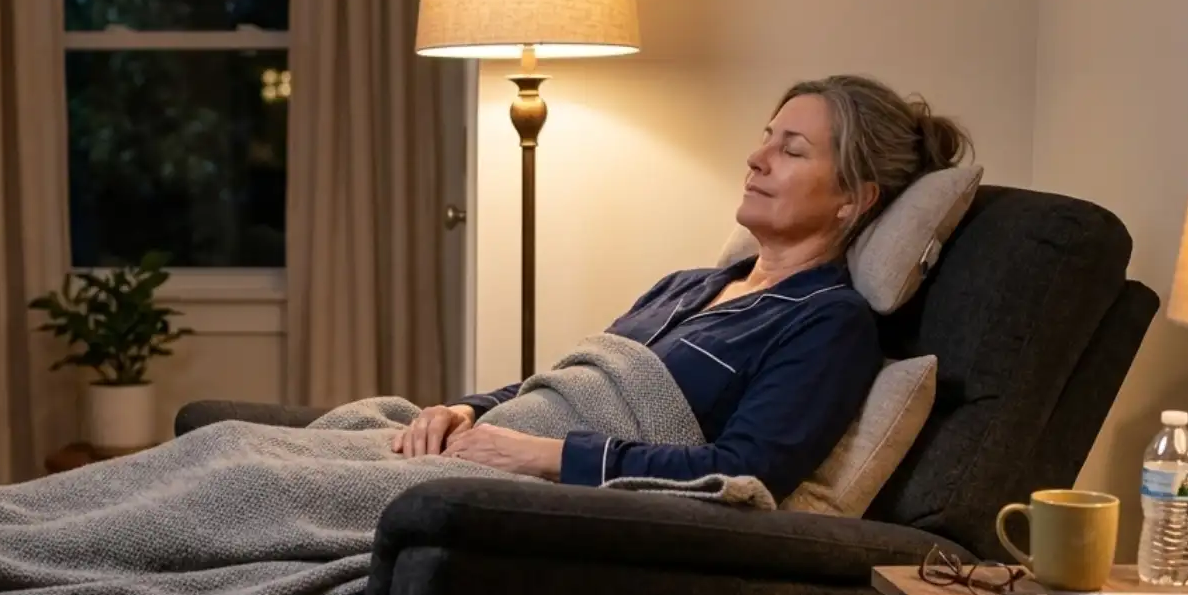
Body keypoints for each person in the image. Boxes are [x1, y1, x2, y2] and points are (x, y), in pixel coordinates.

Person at [393, 74, 972, 503]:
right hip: (487, 450)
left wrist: (541, 457)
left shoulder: (827, 321)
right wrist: (466, 410)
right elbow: (572, 385)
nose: (756, 159)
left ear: (855, 199)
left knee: (305, 492)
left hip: (524, 489)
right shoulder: (688, 286)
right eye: (766, 138)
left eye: (791, 150)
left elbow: (744, 471)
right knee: (332, 443)